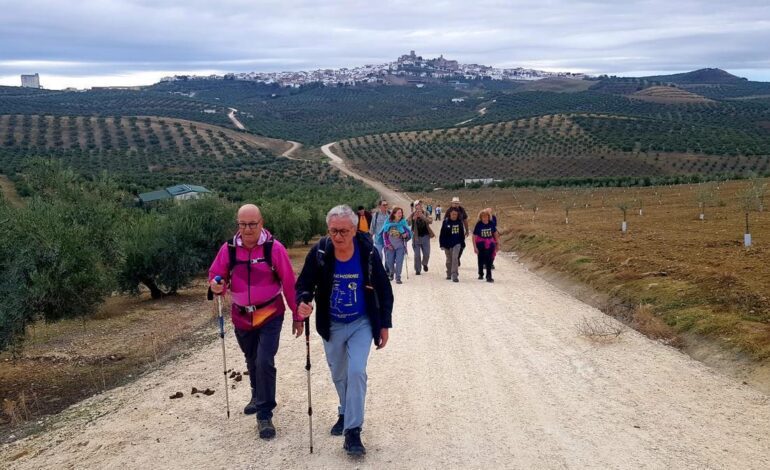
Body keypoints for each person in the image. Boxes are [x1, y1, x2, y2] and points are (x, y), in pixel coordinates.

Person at [295, 205, 394, 457]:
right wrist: (304, 301)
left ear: (354, 229)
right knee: (340, 375)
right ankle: (344, 410)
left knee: (357, 371)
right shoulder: (320, 251)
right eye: (333, 231)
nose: (338, 237)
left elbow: (384, 290)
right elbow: (304, 284)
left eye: (343, 231)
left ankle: (353, 431)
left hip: (361, 322)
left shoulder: (368, 252)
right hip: (332, 324)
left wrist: (384, 324)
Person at [208, 204, 302, 439]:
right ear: (238, 225)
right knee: (251, 359)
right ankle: (256, 393)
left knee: (264, 360)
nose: (247, 229)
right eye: (242, 224)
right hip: (241, 315)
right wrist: (216, 285)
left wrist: (297, 315)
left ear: (261, 223)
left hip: (270, 313)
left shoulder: (274, 249)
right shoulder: (229, 249)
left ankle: (264, 414)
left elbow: (289, 284)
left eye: (252, 224)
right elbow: (216, 276)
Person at [380, 206, 411, 284]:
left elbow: (408, 232)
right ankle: (391, 272)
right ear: (394, 214)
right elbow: (384, 234)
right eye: (398, 213)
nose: (400, 214)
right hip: (390, 246)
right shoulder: (388, 222)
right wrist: (387, 244)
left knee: (399, 262)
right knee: (389, 262)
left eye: (401, 213)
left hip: (400, 246)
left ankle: (398, 278)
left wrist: (406, 235)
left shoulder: (403, 222)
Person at [407, 201, 434, 275]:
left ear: (421, 206)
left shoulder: (426, 213)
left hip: (425, 236)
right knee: (417, 255)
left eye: (419, 204)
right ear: (415, 207)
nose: (418, 206)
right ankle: (417, 270)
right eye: (416, 205)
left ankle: (424, 263)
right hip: (416, 237)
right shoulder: (412, 214)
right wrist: (413, 218)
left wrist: (422, 216)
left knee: (427, 253)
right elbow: (407, 223)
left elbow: (430, 221)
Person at [439, 208, 465, 282]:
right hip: (447, 244)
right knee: (449, 260)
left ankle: (455, 275)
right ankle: (449, 273)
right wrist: (442, 244)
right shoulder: (446, 222)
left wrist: (462, 243)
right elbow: (442, 234)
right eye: (453, 214)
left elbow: (461, 234)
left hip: (457, 243)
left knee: (455, 258)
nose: (454, 216)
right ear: (450, 214)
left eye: (455, 214)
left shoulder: (459, 222)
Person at [473, 209, 499, 282]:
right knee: (480, 259)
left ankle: (489, 276)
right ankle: (481, 273)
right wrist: (475, 247)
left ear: (489, 217)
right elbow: (474, 236)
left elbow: (495, 233)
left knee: (489, 259)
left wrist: (497, 243)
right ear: (480, 218)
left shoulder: (491, 224)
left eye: (486, 216)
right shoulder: (479, 224)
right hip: (480, 244)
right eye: (483, 217)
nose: (485, 218)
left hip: (490, 243)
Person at [444, 197, 469, 265]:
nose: (456, 205)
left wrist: (467, 230)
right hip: (450, 231)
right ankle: (451, 259)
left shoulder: (461, 210)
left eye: (457, 203)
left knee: (462, 246)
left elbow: (465, 220)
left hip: (460, 231)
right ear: (452, 203)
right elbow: (445, 221)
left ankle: (457, 258)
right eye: (455, 203)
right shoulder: (449, 210)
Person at [369, 200, 390, 269]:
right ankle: (380, 270)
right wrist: (370, 238)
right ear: (380, 206)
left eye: (386, 204)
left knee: (388, 256)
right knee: (379, 255)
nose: (386, 206)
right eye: (384, 205)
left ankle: (387, 270)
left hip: (388, 239)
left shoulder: (390, 214)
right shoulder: (376, 215)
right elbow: (372, 227)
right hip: (378, 239)